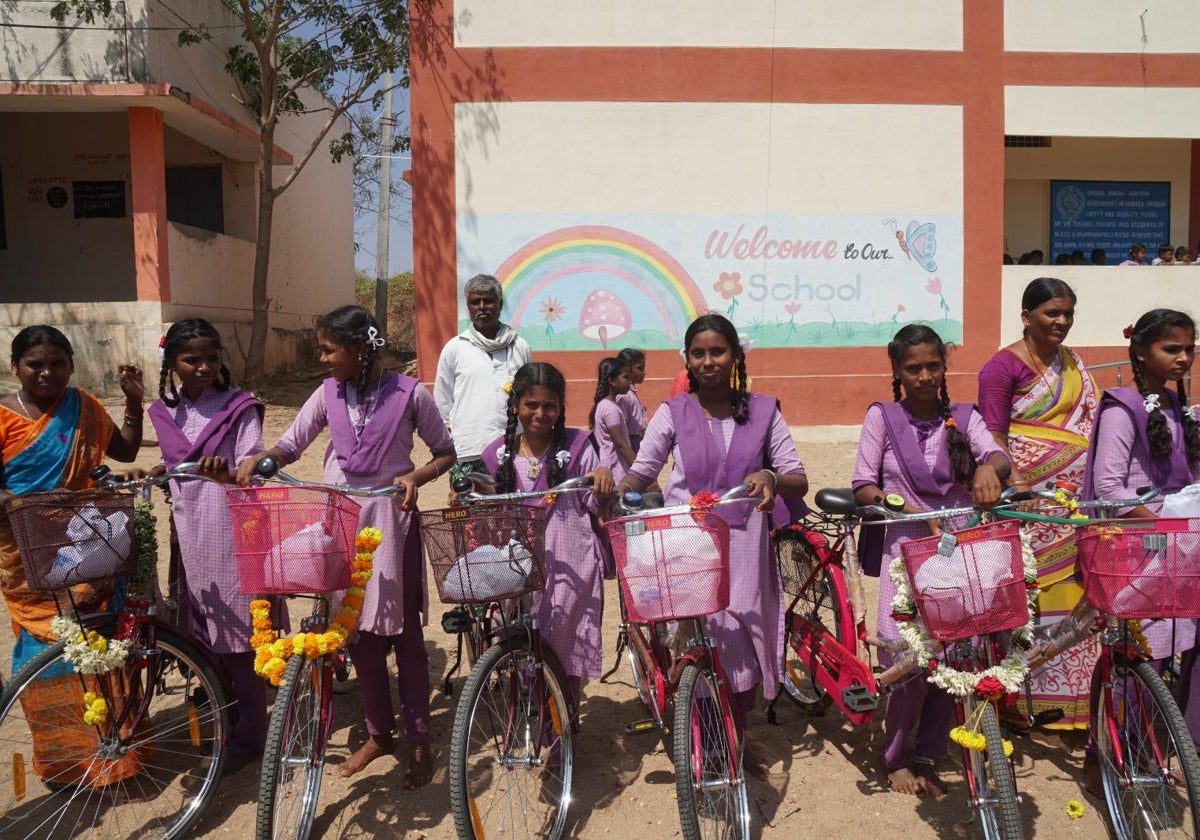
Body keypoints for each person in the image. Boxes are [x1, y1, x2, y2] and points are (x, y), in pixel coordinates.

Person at [236, 305, 456, 786]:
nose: (323, 359)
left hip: (391, 523)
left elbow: (446, 454)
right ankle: (380, 733)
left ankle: (419, 739)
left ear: (359, 349)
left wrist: (415, 476)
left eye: (329, 349)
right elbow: (292, 444)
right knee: (356, 635)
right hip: (341, 520)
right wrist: (265, 457)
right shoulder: (326, 392)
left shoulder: (410, 392)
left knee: (405, 640)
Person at [615, 313, 808, 777]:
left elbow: (798, 479)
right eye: (698, 353)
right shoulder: (672, 411)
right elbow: (643, 471)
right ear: (688, 359)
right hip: (688, 541)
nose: (708, 362)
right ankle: (708, 735)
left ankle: (735, 733)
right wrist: (621, 490)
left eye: (717, 351)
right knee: (697, 641)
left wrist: (770, 476)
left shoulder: (764, 411)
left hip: (745, 541)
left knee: (740, 636)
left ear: (735, 356)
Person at [853, 324, 1009, 797]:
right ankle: (894, 754)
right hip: (905, 544)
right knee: (906, 654)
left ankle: (929, 748)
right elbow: (863, 482)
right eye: (913, 367)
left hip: (958, 544)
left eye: (932, 366)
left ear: (944, 367)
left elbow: (998, 456)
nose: (924, 375)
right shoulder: (881, 416)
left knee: (953, 649)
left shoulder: (964, 416)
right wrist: (905, 508)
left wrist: (988, 467)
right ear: (897, 371)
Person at [0, 325, 144, 780]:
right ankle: (65, 758)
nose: (46, 373)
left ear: (72, 366)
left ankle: (117, 751)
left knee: (102, 640)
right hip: (26, 553)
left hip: (84, 544)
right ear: (15, 368)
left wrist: (135, 402)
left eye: (57, 363)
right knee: (44, 650)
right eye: (34, 364)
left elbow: (124, 450)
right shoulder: (3, 416)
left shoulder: (82, 405)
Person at [146, 318, 277, 772]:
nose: (204, 366)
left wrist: (233, 469)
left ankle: (251, 736)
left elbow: (254, 462)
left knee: (239, 631)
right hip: (189, 530)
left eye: (212, 356)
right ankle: (230, 717)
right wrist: (145, 474)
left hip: (230, 525)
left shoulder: (239, 406)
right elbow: (171, 465)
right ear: (172, 363)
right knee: (205, 628)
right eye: (191, 359)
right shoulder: (164, 411)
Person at [1082, 309, 1200, 786]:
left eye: (1188, 349)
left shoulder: (1180, 408)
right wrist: (1169, 525)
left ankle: (1184, 748)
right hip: (1137, 546)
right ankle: (1108, 752)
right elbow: (1110, 488)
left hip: (1179, 542)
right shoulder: (1120, 408)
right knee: (1139, 653)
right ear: (1140, 352)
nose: (1183, 358)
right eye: (1171, 349)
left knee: (1191, 639)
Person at [977, 278, 1098, 731]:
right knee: (1029, 597)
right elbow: (992, 433)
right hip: (1029, 504)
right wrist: (1019, 475)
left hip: (1074, 507)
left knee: (1076, 594)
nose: (1061, 322)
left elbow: (1090, 419)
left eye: (1067, 313)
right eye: (1051, 313)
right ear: (1026, 316)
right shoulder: (1001, 366)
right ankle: (1019, 700)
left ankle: (1074, 707)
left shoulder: (1073, 363)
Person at [478, 362, 614, 708]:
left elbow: (596, 506)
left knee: (561, 647)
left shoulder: (580, 446)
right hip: (515, 563)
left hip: (571, 561)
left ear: (561, 407)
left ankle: (563, 735)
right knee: (517, 641)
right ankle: (529, 717)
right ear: (515, 406)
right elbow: (488, 504)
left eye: (549, 406)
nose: (540, 413)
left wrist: (600, 481)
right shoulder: (497, 451)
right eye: (531, 405)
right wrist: (469, 492)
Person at [434, 274, 532, 481]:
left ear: (500, 304)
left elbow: (530, 395)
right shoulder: (455, 348)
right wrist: (457, 434)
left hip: (513, 448)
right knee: (469, 512)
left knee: (513, 510)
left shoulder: (519, 346)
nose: (482, 307)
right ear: (468, 306)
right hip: (469, 451)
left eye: (488, 301)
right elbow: (443, 399)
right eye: (474, 302)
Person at [589, 357, 636, 484]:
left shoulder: (605, 405)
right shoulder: (611, 409)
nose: (629, 381)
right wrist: (639, 471)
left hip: (610, 467)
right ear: (612, 381)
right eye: (625, 377)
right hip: (615, 471)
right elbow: (621, 445)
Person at [615, 347, 648, 453]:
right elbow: (622, 428)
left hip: (638, 440)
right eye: (640, 368)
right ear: (627, 370)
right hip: (632, 442)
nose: (644, 372)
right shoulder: (624, 396)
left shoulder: (631, 392)